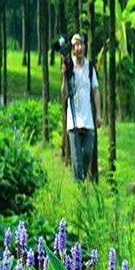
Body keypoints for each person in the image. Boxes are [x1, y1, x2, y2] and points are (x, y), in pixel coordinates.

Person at [61, 33, 101, 183]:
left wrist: (98, 114)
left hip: (88, 120)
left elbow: (95, 91)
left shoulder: (90, 68)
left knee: (88, 152)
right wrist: (64, 77)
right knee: (77, 159)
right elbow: (64, 94)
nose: (79, 47)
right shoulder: (69, 67)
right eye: (76, 45)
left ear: (84, 46)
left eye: (81, 44)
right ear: (72, 48)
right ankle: (80, 188)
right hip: (74, 122)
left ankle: (82, 179)